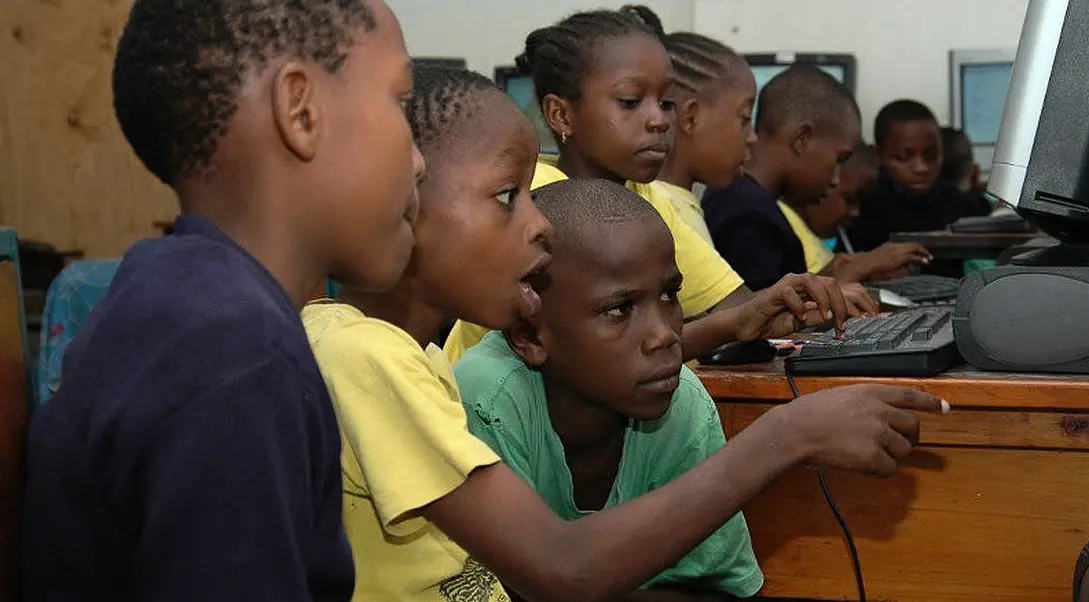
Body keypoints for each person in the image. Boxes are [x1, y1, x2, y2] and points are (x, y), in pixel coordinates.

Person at [306, 66, 948, 602]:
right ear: (401, 201)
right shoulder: (366, 354)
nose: (537, 225)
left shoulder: (408, 358)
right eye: (509, 197)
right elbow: (561, 567)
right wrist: (787, 436)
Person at [21, 0, 422, 600]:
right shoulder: (239, 361)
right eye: (402, 102)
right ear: (301, 111)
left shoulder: (181, 301)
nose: (418, 161)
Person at [454, 179, 950, 601]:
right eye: (618, 309)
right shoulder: (487, 404)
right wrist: (784, 436)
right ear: (529, 336)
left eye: (670, 295)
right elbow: (543, 581)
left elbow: (720, 590)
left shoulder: (680, 400)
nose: (665, 334)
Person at [444, 6, 871, 365]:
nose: (659, 119)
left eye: (665, 101)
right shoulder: (544, 200)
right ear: (560, 116)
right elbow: (610, 358)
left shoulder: (647, 197)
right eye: (631, 102)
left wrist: (789, 309)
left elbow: (737, 307)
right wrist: (737, 323)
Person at [698, 66, 879, 312]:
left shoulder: (746, 200)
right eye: (838, 160)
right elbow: (760, 325)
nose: (836, 179)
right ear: (802, 139)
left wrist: (830, 276)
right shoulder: (747, 213)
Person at [651, 31, 758, 246]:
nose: (753, 137)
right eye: (744, 119)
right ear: (691, 118)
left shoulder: (664, 205)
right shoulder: (675, 219)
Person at [846, 100, 991, 252]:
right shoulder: (865, 206)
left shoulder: (955, 199)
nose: (921, 168)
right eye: (903, 157)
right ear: (878, 155)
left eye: (931, 155)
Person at [788, 142, 932, 282]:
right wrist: (865, 264)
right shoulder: (786, 230)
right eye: (850, 200)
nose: (855, 212)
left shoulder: (812, 239)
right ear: (827, 181)